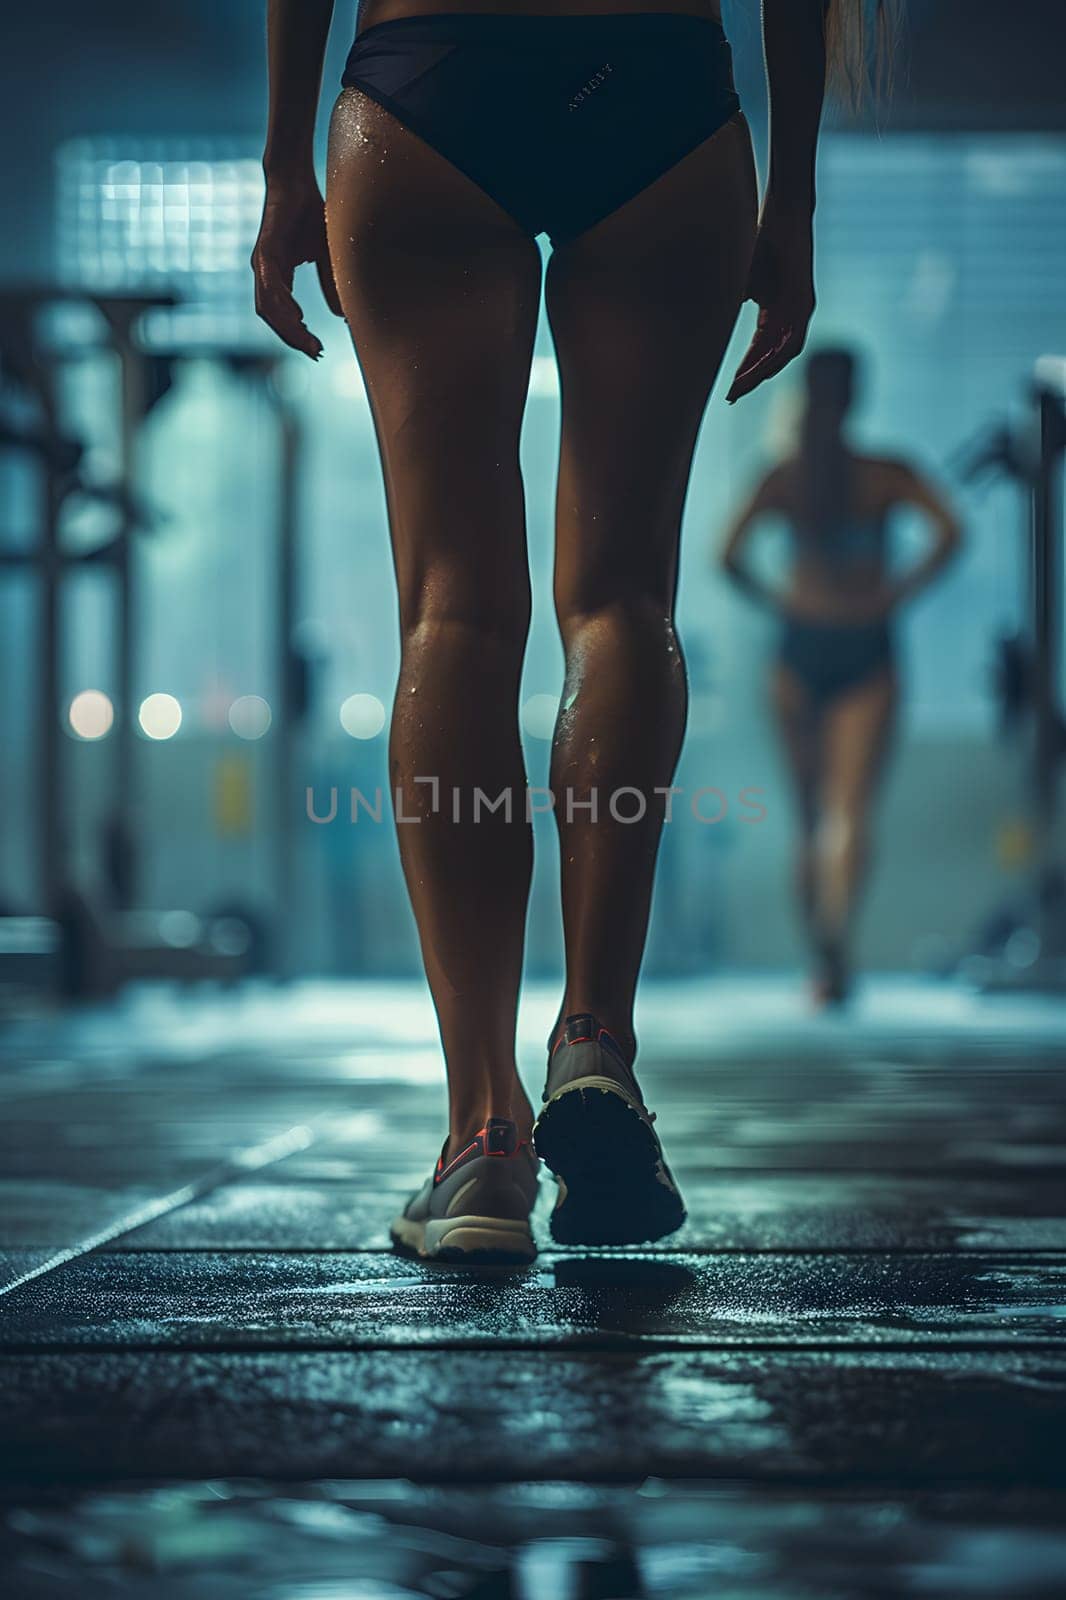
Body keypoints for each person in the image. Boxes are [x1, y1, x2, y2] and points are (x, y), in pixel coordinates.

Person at [252, 1, 879, 1261]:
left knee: (453, 611)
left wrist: (281, 161)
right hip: (657, 91)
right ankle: (597, 1040)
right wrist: (794, 192)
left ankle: (483, 1139)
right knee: (621, 603)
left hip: (431, 76)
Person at [718, 347, 962, 1005]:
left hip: (804, 642)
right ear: (854, 398)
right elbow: (950, 531)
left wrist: (783, 601)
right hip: (858, 640)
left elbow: (726, 556)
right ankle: (834, 954)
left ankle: (825, 959)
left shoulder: (788, 476)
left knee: (811, 818)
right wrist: (892, 594)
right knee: (845, 811)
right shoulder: (879, 474)